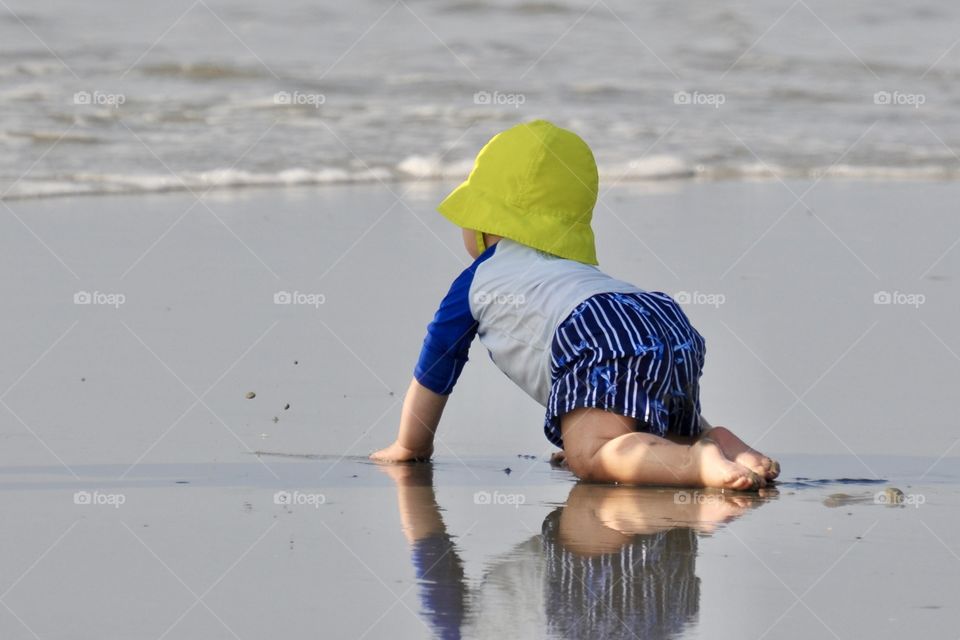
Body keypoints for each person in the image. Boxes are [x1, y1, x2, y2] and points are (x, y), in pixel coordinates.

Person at [371, 120, 779, 490]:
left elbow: (437, 365)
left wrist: (411, 446)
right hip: (658, 315)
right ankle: (712, 441)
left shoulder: (477, 280)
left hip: (596, 325)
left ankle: (697, 461)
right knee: (656, 434)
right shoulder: (570, 270)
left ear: (481, 220)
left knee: (595, 454)